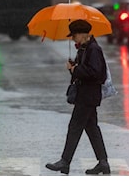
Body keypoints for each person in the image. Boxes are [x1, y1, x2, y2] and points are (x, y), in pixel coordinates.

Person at [46, 19, 111, 175]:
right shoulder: (85, 48)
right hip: (86, 95)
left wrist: (75, 69)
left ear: (82, 34)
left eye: (74, 35)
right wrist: (73, 67)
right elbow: (83, 71)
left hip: (87, 97)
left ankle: (65, 162)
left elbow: (97, 74)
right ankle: (103, 163)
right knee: (92, 129)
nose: (72, 38)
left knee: (75, 127)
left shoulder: (93, 49)